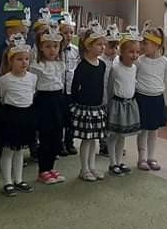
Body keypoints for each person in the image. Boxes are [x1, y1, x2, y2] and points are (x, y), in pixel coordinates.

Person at [0, 34, 37, 196]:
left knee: (20, 150)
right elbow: (2, 97)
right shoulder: (5, 79)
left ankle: (19, 179)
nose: (24, 62)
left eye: (26, 59)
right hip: (10, 116)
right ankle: (7, 181)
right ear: (11, 61)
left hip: (26, 115)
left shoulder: (33, 77)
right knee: (8, 150)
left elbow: (31, 93)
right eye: (19, 59)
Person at [29, 16, 68, 185]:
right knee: (45, 137)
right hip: (44, 102)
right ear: (41, 47)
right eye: (48, 46)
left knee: (56, 136)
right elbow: (32, 87)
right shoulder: (36, 66)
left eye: (55, 46)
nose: (52, 50)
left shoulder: (60, 64)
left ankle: (51, 167)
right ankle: (43, 170)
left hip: (58, 100)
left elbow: (61, 84)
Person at [71, 22, 109, 182]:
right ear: (88, 46)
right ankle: (84, 168)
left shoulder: (102, 65)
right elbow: (74, 87)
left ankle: (92, 166)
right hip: (85, 108)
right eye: (99, 44)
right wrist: (76, 104)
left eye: (103, 44)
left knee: (94, 139)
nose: (103, 47)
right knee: (87, 140)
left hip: (97, 107)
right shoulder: (82, 66)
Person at [105, 27, 141, 176]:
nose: (135, 55)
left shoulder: (134, 68)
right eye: (131, 52)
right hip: (116, 105)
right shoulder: (115, 68)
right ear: (122, 52)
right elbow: (109, 87)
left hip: (128, 104)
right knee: (113, 135)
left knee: (122, 135)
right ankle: (112, 162)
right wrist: (108, 105)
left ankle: (119, 161)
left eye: (137, 52)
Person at [135, 24, 167, 171]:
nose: (142, 46)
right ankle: (141, 158)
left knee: (153, 130)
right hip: (142, 98)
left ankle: (151, 157)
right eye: (142, 43)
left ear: (157, 44)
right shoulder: (140, 60)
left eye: (146, 43)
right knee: (143, 130)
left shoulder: (165, 62)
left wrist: (158, 91)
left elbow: (166, 80)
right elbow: (134, 77)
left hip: (156, 99)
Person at [60, 12, 80, 156]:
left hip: (71, 89)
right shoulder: (56, 50)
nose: (68, 35)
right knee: (60, 118)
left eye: (71, 33)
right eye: (65, 32)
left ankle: (69, 141)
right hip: (60, 89)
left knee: (71, 117)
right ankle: (60, 143)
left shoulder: (75, 50)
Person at [99, 28, 121, 157]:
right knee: (104, 121)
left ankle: (114, 144)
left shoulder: (118, 61)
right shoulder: (100, 60)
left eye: (116, 47)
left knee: (113, 120)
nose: (114, 50)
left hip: (115, 95)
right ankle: (104, 145)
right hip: (103, 95)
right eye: (111, 47)